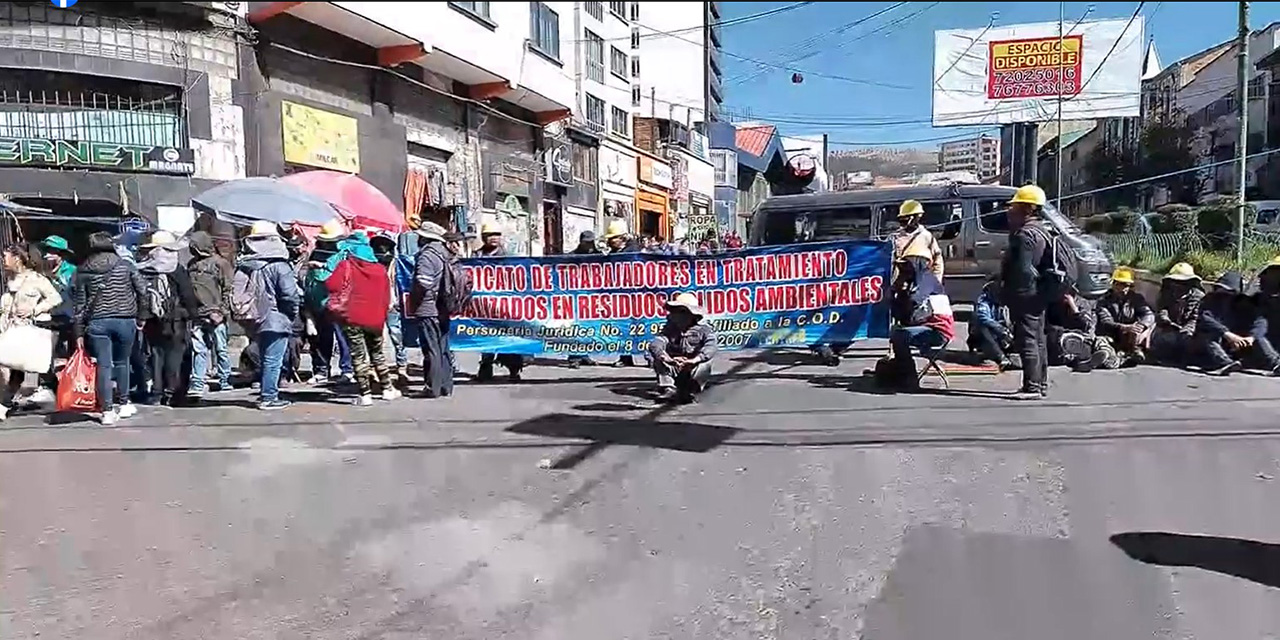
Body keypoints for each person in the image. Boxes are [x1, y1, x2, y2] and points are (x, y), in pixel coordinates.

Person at [72, 231, 147, 425]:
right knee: (122, 361)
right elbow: (142, 291)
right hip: (125, 319)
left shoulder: (83, 270)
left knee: (103, 365)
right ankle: (124, 403)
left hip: (97, 322)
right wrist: (142, 316)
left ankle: (106, 411)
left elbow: (80, 304)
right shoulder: (125, 265)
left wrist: (78, 331)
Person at [325, 231, 400, 405]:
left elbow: (331, 284)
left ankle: (364, 394)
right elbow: (386, 297)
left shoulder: (346, 265)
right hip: (375, 319)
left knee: (358, 356)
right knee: (378, 354)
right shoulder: (380, 269)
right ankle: (387, 389)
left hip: (352, 318)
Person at [237, 221, 301, 409]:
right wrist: (291, 313)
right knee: (274, 359)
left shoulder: (245, 264)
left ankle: (267, 391)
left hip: (253, 316)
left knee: (265, 356)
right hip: (276, 318)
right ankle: (269, 397)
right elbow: (290, 294)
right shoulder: (280, 265)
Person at [876, 247, 955, 390]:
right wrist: (895, 290)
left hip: (938, 331)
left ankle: (909, 377)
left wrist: (901, 289)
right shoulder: (913, 282)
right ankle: (902, 372)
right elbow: (901, 313)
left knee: (900, 336)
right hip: (925, 326)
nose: (904, 271)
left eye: (906, 266)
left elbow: (914, 301)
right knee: (898, 333)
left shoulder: (927, 279)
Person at [137, 231, 200, 406]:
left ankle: (156, 393)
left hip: (151, 320)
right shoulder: (177, 269)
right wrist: (195, 316)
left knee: (155, 355)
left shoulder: (144, 267)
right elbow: (187, 294)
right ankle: (172, 392)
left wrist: (141, 316)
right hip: (176, 321)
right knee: (175, 356)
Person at [1001, 184, 1052, 400]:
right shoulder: (1042, 230)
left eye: (1015, 207)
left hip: (1026, 294)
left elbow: (1022, 270)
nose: (1010, 211)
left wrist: (1011, 294)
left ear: (1028, 209)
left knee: (1028, 339)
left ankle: (1031, 387)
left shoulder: (1025, 235)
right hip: (1039, 293)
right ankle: (1040, 384)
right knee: (1038, 338)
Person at [0, 243, 61, 420]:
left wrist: (35, 309)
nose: (3, 260)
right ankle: (4, 405)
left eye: (6, 256)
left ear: (17, 259)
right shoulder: (10, 280)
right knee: (15, 368)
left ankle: (64, 398)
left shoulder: (36, 279)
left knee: (43, 369)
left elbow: (55, 298)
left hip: (34, 330)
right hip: (15, 329)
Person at [303, 219, 354, 384]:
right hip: (318, 301)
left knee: (343, 338)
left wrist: (322, 267)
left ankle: (347, 370)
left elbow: (343, 275)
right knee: (321, 339)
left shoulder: (344, 254)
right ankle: (321, 370)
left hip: (338, 301)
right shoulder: (316, 252)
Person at [184, 231, 234, 398]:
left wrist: (222, 311)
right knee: (199, 350)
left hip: (216, 314)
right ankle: (198, 382)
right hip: (198, 315)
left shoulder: (220, 264)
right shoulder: (191, 264)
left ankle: (225, 380)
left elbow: (228, 289)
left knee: (221, 349)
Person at [408, 221, 454, 398]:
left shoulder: (427, 255)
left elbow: (424, 282)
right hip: (443, 307)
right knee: (443, 348)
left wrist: (415, 300)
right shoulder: (445, 253)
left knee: (431, 349)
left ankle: (431, 387)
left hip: (428, 308)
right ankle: (445, 386)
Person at [472, 222, 523, 381]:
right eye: (489, 235)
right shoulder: (476, 256)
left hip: (506, 305)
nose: (493, 238)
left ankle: (514, 370)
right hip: (485, 305)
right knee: (487, 337)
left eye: (496, 234)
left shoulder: (509, 256)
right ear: (483, 237)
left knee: (510, 339)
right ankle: (485, 369)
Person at [649, 293, 718, 403]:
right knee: (656, 358)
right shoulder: (669, 329)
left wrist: (694, 360)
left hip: (692, 367)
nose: (673, 315)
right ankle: (668, 388)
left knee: (705, 364)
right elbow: (656, 343)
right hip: (674, 365)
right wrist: (667, 359)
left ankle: (691, 391)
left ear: (690, 314)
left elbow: (711, 346)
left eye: (679, 311)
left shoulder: (704, 330)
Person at [1192, 271, 1264, 377]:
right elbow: (1205, 318)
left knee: (1261, 338)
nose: (1224, 294)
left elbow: (1259, 321)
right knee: (1208, 335)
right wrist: (1228, 335)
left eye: (1228, 291)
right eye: (1221, 289)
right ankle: (1224, 363)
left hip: (1233, 345)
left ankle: (1271, 363)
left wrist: (1250, 338)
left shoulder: (1243, 304)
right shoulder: (1209, 300)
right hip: (1209, 344)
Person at [1095, 266, 1156, 367]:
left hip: (1131, 336)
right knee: (1102, 343)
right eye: (1121, 285)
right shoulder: (1103, 301)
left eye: (1127, 285)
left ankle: (1134, 352)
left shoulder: (1136, 298)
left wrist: (1141, 326)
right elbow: (1106, 322)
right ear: (1114, 284)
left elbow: (1148, 314)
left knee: (1151, 329)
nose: (1125, 289)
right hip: (1111, 335)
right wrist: (1125, 327)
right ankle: (1112, 357)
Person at [370, 232, 408, 385]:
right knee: (375, 339)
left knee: (397, 336)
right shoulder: (371, 264)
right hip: (375, 305)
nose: (383, 250)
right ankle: (373, 369)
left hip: (393, 305)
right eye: (379, 246)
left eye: (386, 246)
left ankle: (402, 368)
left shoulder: (399, 265)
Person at [1046, 286, 1114, 371]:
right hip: (1060, 340)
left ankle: (1098, 360)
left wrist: (1074, 309)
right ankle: (1083, 363)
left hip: (1082, 338)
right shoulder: (1054, 305)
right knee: (1055, 335)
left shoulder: (1083, 303)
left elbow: (1087, 325)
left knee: (1098, 345)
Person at [604, 218, 642, 367]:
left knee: (640, 326)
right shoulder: (614, 252)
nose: (610, 242)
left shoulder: (634, 252)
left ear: (622, 238)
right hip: (620, 296)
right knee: (624, 327)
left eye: (613, 238)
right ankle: (625, 357)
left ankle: (651, 357)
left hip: (636, 296)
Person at [1150, 262, 1204, 366]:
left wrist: (1187, 330)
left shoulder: (1199, 297)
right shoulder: (1166, 293)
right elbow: (1162, 308)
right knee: (1160, 339)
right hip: (1169, 328)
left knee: (1188, 342)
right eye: (1175, 282)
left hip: (1190, 332)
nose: (1178, 285)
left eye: (1183, 282)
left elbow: (1196, 318)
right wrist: (1164, 318)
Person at [568, 230, 601, 369]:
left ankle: (585, 354)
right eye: (586, 242)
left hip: (592, 297)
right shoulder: (571, 256)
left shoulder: (598, 256)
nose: (589, 245)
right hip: (575, 298)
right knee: (575, 328)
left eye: (591, 242)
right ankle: (574, 356)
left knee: (588, 328)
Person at [968, 278, 1015, 369]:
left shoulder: (1007, 301)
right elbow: (983, 318)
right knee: (983, 327)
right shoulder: (983, 301)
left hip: (1004, 337)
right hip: (985, 336)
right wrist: (1001, 330)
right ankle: (1000, 357)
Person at [892, 199, 945, 279]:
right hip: (902, 281)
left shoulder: (926, 236)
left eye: (906, 218)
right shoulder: (895, 237)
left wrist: (936, 281)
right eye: (901, 219)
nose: (903, 222)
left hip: (923, 280)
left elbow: (937, 260)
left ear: (915, 218)